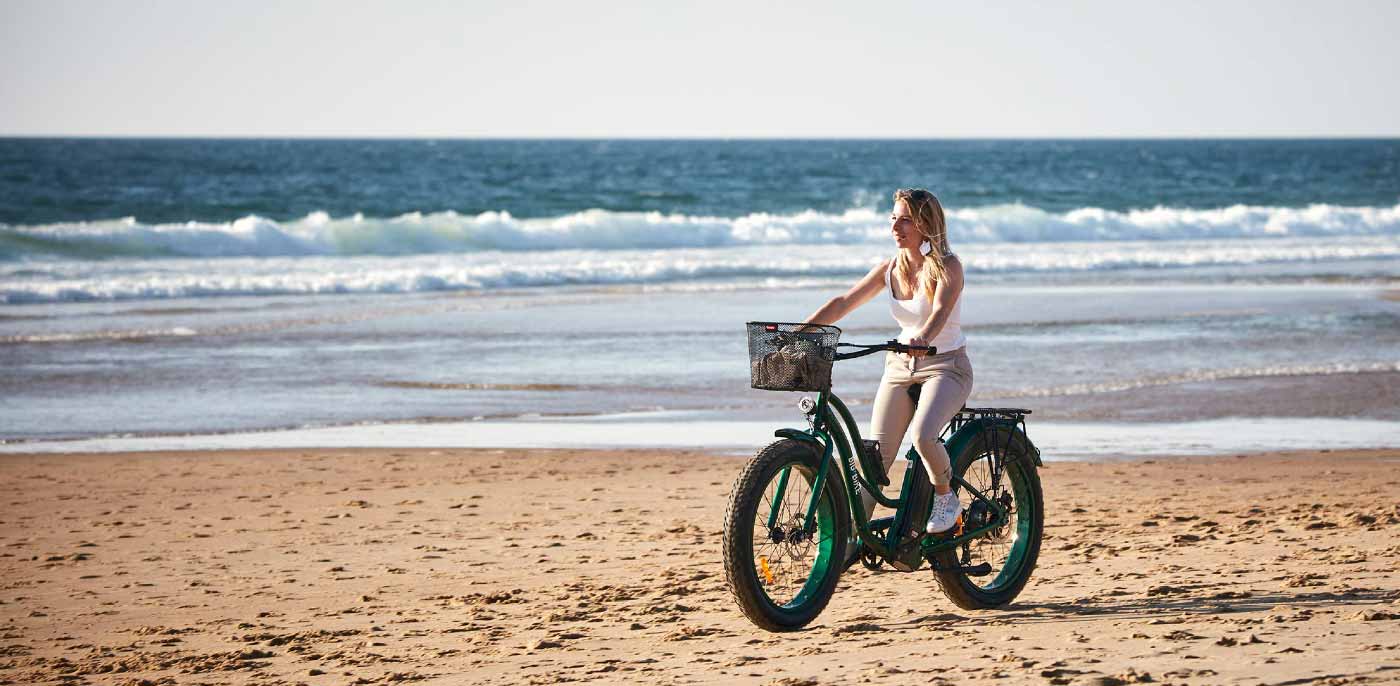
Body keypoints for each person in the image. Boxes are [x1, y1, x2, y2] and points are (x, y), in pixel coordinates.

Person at [802, 188, 972, 535]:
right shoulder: (889, 269)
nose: (896, 226)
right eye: (893, 218)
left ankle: (945, 497)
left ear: (925, 224)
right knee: (873, 462)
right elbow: (843, 301)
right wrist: (801, 333)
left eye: (906, 219)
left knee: (924, 437)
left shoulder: (948, 265)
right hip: (900, 367)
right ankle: (847, 538)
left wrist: (922, 338)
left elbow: (940, 311)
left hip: (946, 366)